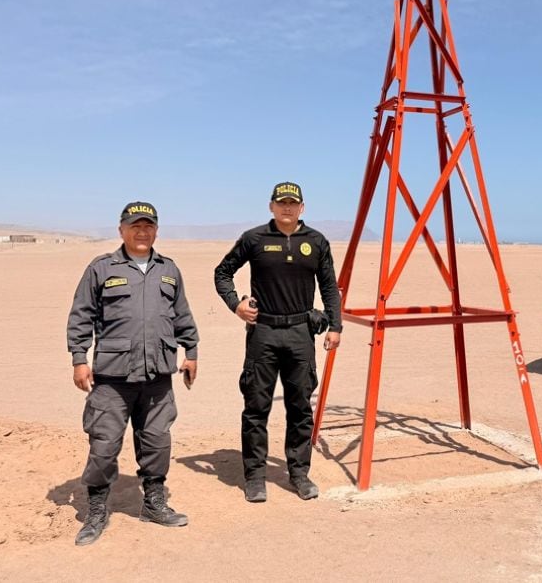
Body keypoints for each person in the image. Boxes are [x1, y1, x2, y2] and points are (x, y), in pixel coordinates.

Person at [66, 201, 199, 546]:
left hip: (158, 375)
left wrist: (192, 353)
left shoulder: (169, 270)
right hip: (112, 377)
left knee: (156, 441)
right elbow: (81, 316)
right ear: (121, 230)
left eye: (148, 226)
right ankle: (96, 510)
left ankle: (154, 503)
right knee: (105, 444)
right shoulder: (102, 268)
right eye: (135, 226)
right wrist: (79, 358)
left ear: (156, 230)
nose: (142, 232)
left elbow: (182, 315)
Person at [214, 182, 342, 503]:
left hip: (301, 333)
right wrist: (236, 304)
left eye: (292, 203)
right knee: (257, 406)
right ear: (271, 206)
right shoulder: (254, 239)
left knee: (300, 407)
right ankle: (255, 477)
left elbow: (329, 287)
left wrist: (335, 326)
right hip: (264, 334)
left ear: (302, 208)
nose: (287, 208)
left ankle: (299, 473)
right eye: (281, 202)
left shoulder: (316, 242)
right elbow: (222, 273)